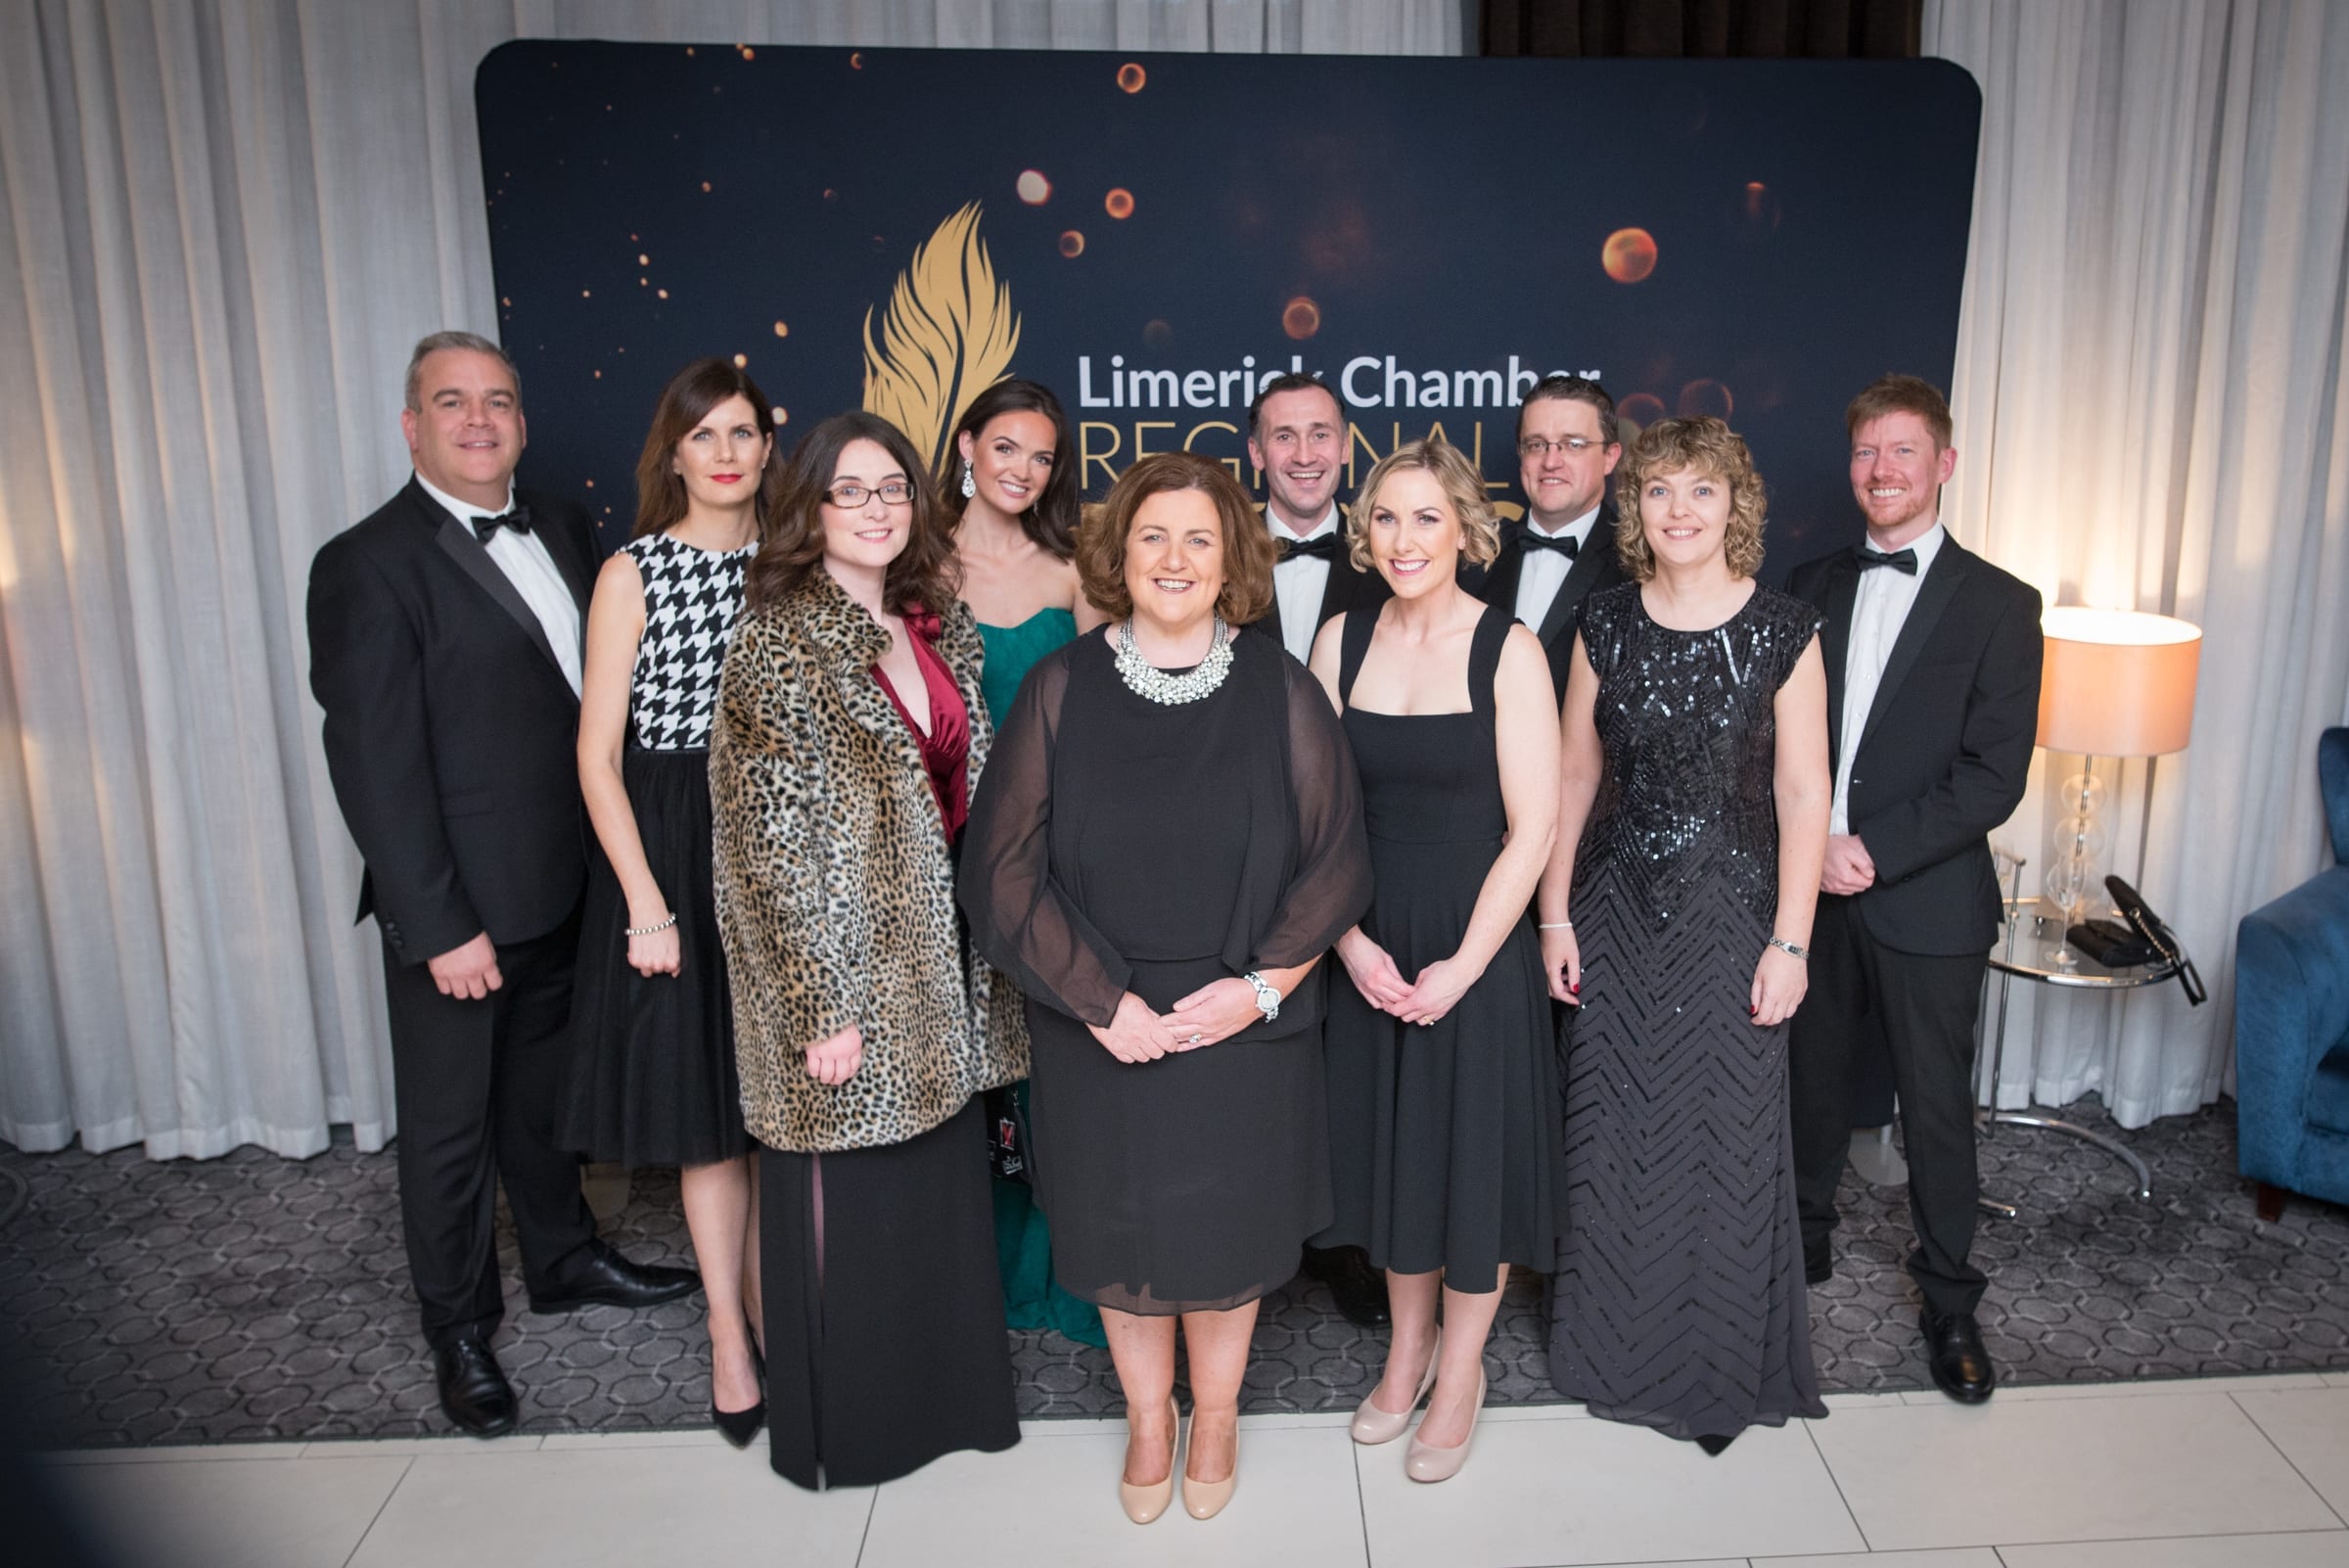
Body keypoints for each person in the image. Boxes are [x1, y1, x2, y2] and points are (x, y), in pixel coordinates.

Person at [959, 451, 1371, 1523]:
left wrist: (1261, 990)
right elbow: (1000, 871)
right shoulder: (1060, 689)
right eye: (1153, 537)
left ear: (1233, 556)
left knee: (1225, 1240)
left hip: (1244, 1021)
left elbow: (1339, 864)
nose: (1176, 558)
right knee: (1121, 1234)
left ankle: (1219, 1412)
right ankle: (1151, 1418)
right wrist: (1101, 1001)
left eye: (1199, 537)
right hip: (1100, 1021)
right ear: (1120, 553)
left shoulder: (1282, 689)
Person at [306, 331, 698, 1438]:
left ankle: (564, 1260)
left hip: (568, 888)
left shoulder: (570, 529)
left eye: (497, 402)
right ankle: (458, 1326)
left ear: (522, 422)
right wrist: (438, 925)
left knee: (540, 1104)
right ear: (411, 426)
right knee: (447, 1130)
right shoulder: (365, 563)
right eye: (451, 402)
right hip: (462, 909)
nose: (478, 421)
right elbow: (374, 766)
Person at [711, 410, 1028, 1489]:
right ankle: (846, 1433)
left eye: (893, 487)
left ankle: (943, 1408)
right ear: (810, 508)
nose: (878, 508)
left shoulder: (932, 622)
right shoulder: (775, 642)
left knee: (929, 1200)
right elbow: (763, 849)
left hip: (936, 969)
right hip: (841, 974)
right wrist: (817, 1008)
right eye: (851, 490)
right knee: (842, 1198)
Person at [1539, 415, 1832, 1452]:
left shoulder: (1785, 630)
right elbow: (1573, 776)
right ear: (1637, 508)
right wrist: (1553, 912)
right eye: (1659, 491)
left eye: (1699, 491)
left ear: (1734, 506)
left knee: (1724, 1140)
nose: (1677, 511)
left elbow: (1804, 795)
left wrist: (1790, 943)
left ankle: (1711, 1353)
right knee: (1613, 1136)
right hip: (1616, 914)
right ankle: (1611, 1346)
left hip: (1734, 916)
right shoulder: (1603, 622)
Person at [1309, 437, 1562, 1483]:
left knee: (1470, 1160)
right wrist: (1349, 940)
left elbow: (1537, 826)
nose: (1403, 538)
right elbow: (1310, 822)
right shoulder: (1337, 641)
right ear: (1363, 534)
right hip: (1367, 938)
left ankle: (1461, 1371)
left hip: (1476, 944)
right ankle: (1405, 1350)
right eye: (1385, 518)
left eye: (1425, 518)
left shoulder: (1509, 649)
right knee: (1394, 1158)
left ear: (1464, 528)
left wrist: (1462, 966)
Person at [1786, 375, 2043, 1404]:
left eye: (1902, 452)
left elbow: (1993, 775)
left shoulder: (2000, 603)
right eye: (1865, 454)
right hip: (1809, 885)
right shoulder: (1808, 585)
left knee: (1936, 1109)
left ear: (1942, 462)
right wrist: (1814, 849)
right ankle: (1799, 1243)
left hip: (1923, 894)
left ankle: (1949, 1299)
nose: (1881, 471)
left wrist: (1871, 850)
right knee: (1805, 1080)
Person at [561, 357, 776, 1445]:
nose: (728, 454)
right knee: (706, 1119)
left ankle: (786, 1318)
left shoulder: (798, 566)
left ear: (768, 448)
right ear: (676, 453)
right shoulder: (632, 571)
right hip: (675, 845)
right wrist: (648, 902)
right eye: (707, 436)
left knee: (778, 1107)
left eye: (744, 433)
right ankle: (731, 1342)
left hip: (775, 843)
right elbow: (597, 757)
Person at [941, 377, 1108, 1350]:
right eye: (1007, 447)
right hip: (938, 852)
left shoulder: (1069, 566)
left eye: (1041, 456)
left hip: (1045, 852)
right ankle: (972, 1273)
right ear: (968, 446)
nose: (1023, 470)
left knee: (1047, 1064)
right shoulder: (912, 562)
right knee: (961, 1065)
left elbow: (1099, 722)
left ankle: (1059, 1271)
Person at [1243, 371, 1392, 1328]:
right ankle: (1250, 1239)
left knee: (1348, 1051)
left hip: (1359, 839)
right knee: (1248, 1046)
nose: (1303, 452)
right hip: (1236, 845)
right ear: (1253, 452)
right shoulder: (1205, 557)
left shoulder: (1392, 559)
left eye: (1320, 435)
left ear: (1346, 449)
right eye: (1283, 436)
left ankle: (1344, 1246)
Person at [1467, 374, 1630, 706]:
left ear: (1611, 457)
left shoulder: (1638, 563)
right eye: (1537, 444)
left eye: (1573, 444)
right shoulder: (1473, 554)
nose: (1551, 461)